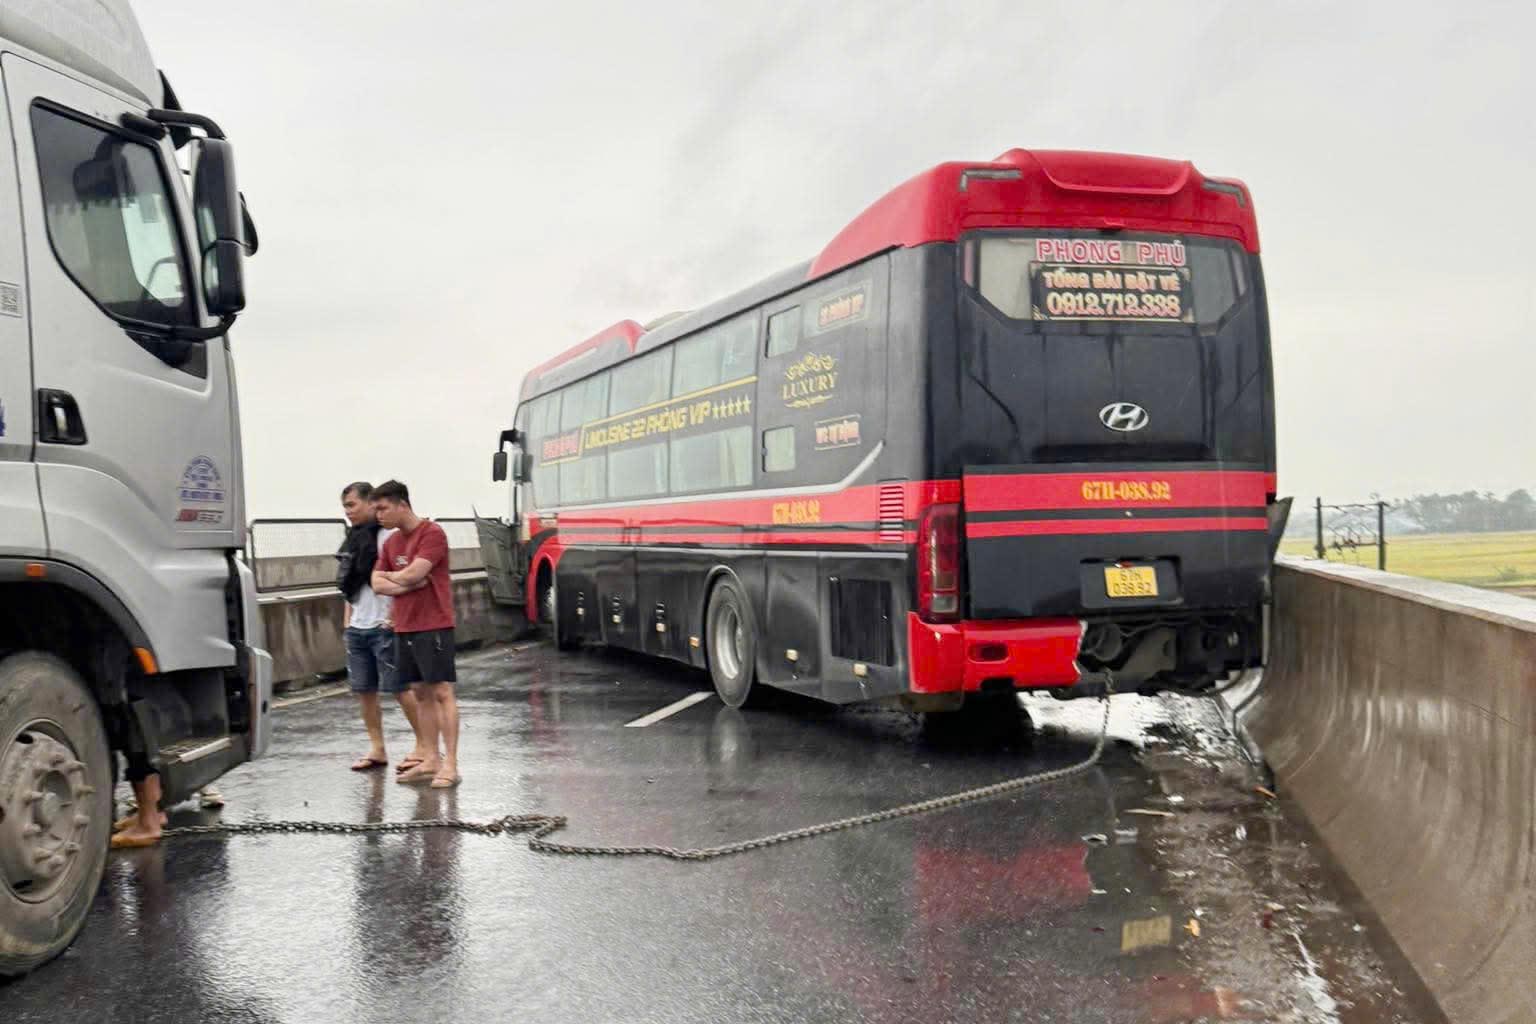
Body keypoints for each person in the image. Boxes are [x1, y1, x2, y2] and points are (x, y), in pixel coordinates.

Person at [370, 480, 461, 788]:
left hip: (433, 623)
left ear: (402, 505)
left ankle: (451, 764)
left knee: (441, 692)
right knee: (420, 692)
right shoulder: (390, 543)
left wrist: (402, 579)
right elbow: (376, 583)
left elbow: (416, 573)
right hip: (403, 624)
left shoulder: (431, 533)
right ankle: (431, 759)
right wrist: (407, 583)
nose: (378, 515)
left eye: (383, 508)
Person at [338, 481, 431, 774]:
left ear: (370, 503)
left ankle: (425, 746)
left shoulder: (388, 538)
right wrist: (347, 619)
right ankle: (377, 748)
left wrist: (396, 616)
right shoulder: (353, 540)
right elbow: (350, 584)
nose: (348, 512)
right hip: (358, 625)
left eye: (353, 505)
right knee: (364, 690)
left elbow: (410, 577)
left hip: (385, 625)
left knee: (401, 689)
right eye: (345, 507)